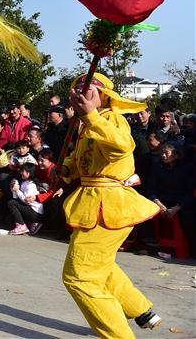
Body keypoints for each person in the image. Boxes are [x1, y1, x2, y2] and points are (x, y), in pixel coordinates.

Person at [59, 73, 163, 337]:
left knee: (79, 276)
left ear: (104, 94)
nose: (80, 95)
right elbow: (80, 156)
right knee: (99, 264)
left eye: (87, 90)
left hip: (107, 204)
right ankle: (141, 310)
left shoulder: (110, 118)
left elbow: (121, 147)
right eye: (77, 91)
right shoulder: (87, 124)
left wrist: (91, 116)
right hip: (92, 200)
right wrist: (67, 168)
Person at [6, 163, 43, 235]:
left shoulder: (31, 185)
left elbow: (27, 201)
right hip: (31, 211)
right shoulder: (25, 182)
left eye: (23, 171)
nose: (21, 173)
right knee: (10, 215)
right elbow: (19, 197)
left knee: (11, 203)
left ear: (28, 173)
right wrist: (14, 189)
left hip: (35, 212)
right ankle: (30, 224)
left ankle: (22, 226)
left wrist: (17, 190)